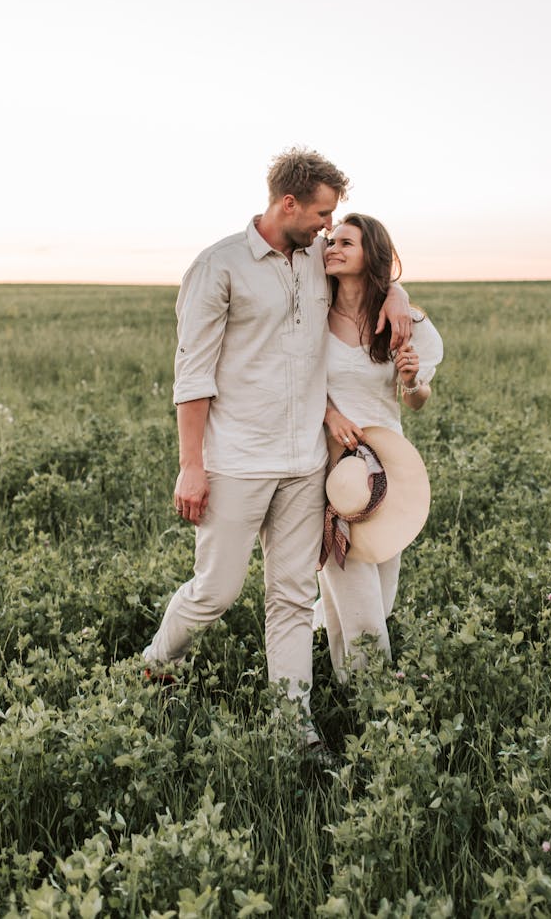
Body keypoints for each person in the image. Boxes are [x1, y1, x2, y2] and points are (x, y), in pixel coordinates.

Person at [142, 150, 413, 744]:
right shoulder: (219, 266)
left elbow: (368, 267)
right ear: (288, 204)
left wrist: (396, 293)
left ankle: (295, 729)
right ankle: (157, 661)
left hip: (306, 465)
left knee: (290, 598)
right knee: (215, 592)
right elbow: (192, 375)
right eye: (321, 214)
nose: (328, 227)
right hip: (237, 462)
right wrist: (191, 466)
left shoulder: (317, 257)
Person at [315, 213, 443, 679]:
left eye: (346, 243)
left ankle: (343, 685)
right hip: (334, 469)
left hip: (388, 466)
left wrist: (410, 380)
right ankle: (376, 700)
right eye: (331, 241)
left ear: (371, 253)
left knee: (380, 594)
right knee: (357, 592)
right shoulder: (312, 314)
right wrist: (329, 414)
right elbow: (293, 382)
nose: (332, 248)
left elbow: (418, 401)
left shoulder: (402, 320)